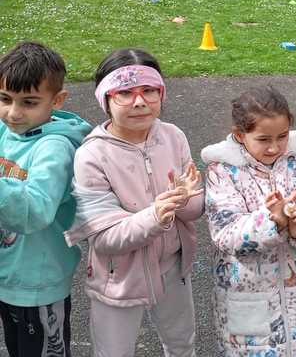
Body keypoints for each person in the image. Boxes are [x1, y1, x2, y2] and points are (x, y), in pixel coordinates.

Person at [65, 48, 204, 357]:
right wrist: (156, 215)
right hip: (118, 279)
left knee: (182, 345)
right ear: (105, 99)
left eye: (149, 90)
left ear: (161, 93)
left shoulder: (173, 136)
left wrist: (182, 200)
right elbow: (104, 239)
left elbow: (196, 208)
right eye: (125, 93)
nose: (139, 101)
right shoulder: (92, 155)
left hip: (172, 268)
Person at [202, 85, 296, 356]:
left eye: (282, 136)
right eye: (263, 139)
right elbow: (226, 234)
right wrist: (272, 223)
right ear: (240, 135)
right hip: (249, 312)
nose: (275, 147)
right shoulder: (223, 172)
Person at [0, 41, 91, 357]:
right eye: (5, 99)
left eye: (29, 102)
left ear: (57, 100)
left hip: (37, 285)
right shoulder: (6, 130)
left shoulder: (55, 148)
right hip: (9, 274)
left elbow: (36, 211)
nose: (13, 112)